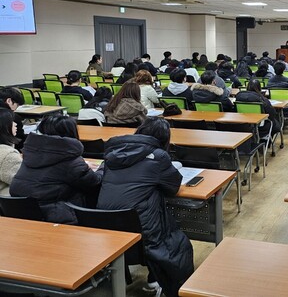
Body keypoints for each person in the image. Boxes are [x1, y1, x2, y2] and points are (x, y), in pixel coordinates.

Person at [97, 118, 194, 297]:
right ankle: (163, 283)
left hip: (106, 228)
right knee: (179, 244)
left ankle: (153, 278)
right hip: (143, 234)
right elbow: (173, 187)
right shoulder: (159, 156)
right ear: (164, 139)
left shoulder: (113, 152)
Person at [10, 115, 102, 224]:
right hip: (56, 216)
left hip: (21, 212)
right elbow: (94, 182)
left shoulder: (32, 152)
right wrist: (103, 166)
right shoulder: (70, 160)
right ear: (71, 131)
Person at [0, 108, 22, 195]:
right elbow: (21, 181)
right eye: (12, 121)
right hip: (6, 198)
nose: (15, 124)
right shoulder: (8, 155)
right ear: (4, 126)